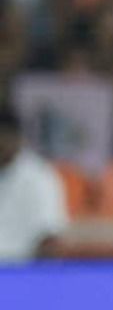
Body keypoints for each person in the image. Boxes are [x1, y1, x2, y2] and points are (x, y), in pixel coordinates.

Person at [0, 107, 68, 262]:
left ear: (18, 139)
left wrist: (35, 279)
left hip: (24, 272)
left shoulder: (40, 176)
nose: (1, 145)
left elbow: (50, 237)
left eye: (5, 139)